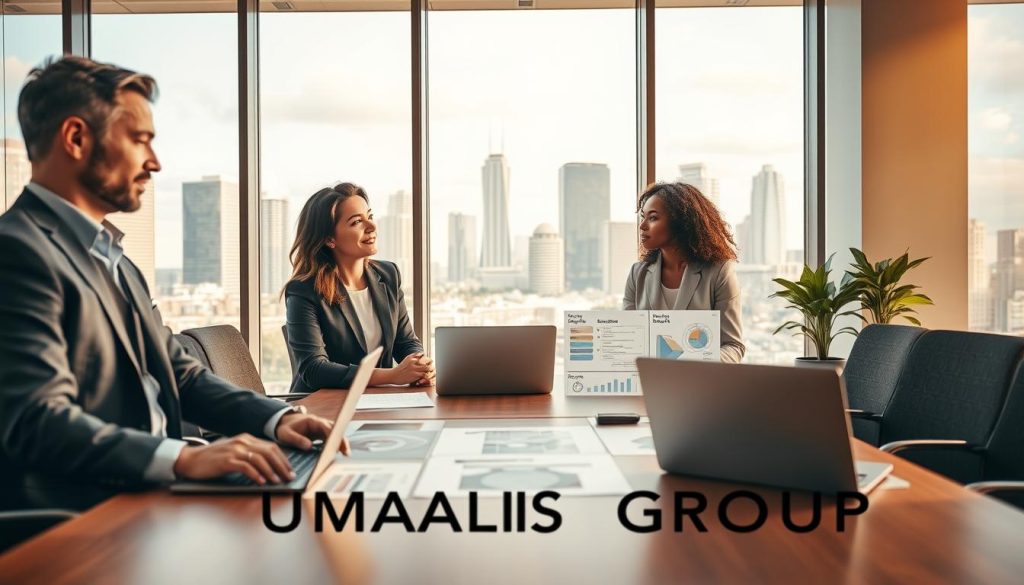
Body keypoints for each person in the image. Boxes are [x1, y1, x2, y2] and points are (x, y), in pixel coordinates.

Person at [0, 56, 345, 511]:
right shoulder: (17, 252)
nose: (155, 162)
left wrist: (277, 418)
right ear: (76, 138)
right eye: (140, 140)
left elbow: (180, 374)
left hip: (154, 496)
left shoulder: (117, 262)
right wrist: (182, 459)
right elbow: (37, 419)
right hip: (88, 515)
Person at [284, 183, 434, 392]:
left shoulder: (388, 274)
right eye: (356, 222)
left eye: (369, 216)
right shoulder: (303, 290)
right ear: (329, 239)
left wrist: (419, 365)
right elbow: (314, 369)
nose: (371, 226)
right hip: (322, 403)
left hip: (375, 400)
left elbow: (405, 341)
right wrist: (392, 375)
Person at [623, 182, 745, 363]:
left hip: (699, 379)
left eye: (653, 218)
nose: (642, 226)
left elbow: (733, 346)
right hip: (651, 379)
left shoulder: (719, 272)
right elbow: (628, 339)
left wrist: (693, 363)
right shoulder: (637, 274)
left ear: (680, 223)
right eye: (643, 217)